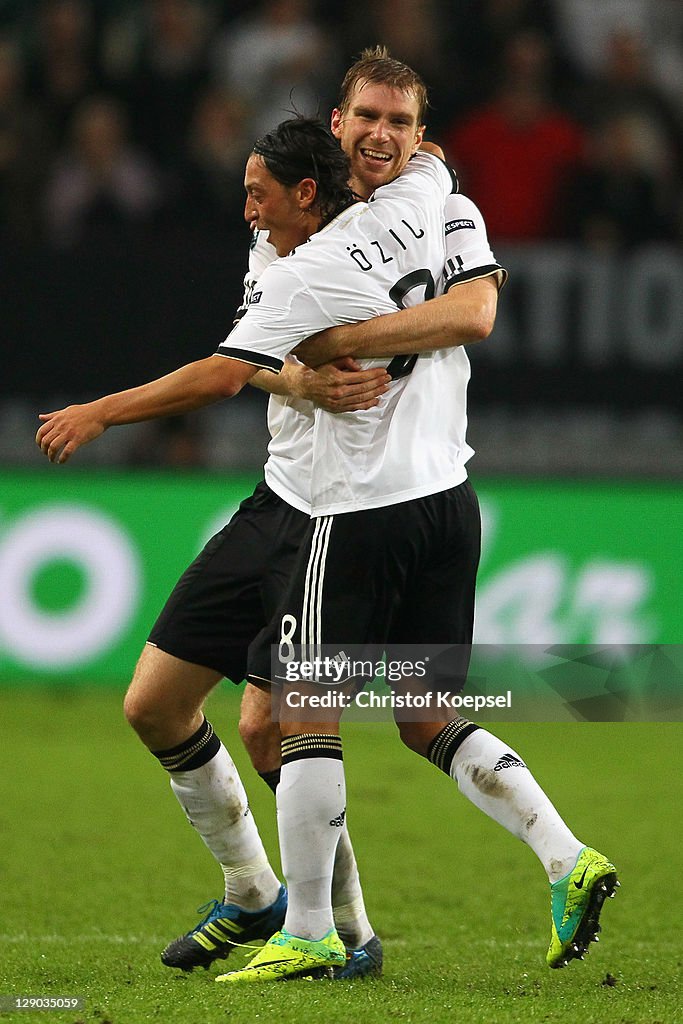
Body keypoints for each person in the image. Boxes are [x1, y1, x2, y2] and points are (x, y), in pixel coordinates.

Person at [37, 48, 498, 981]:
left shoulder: (399, 221)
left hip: (347, 512)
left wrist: (100, 409)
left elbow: (469, 312)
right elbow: (249, 348)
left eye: (398, 124)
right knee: (154, 705)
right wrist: (288, 371)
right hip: (278, 497)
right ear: (335, 130)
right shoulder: (290, 233)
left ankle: (342, 933)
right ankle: (255, 893)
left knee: (290, 723)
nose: (247, 206)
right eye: (364, 118)